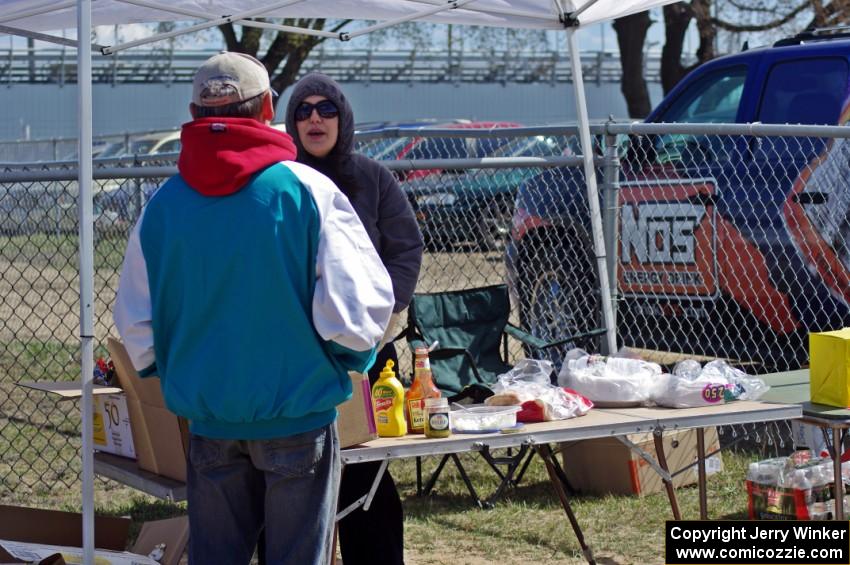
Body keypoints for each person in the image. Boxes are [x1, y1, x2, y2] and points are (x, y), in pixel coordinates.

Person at [113, 52, 394, 565]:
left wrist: (176, 374)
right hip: (298, 415)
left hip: (210, 419)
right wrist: (348, 361)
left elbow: (135, 324)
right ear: (268, 106)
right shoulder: (306, 190)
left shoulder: (162, 205)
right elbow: (356, 313)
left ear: (195, 112)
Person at [284, 72, 424, 565]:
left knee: (368, 477)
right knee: (297, 476)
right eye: (304, 110)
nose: (315, 118)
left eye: (326, 109)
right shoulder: (281, 180)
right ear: (290, 122)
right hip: (297, 356)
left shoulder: (373, 178)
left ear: (343, 119)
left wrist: (386, 315)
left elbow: (406, 249)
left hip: (367, 355)